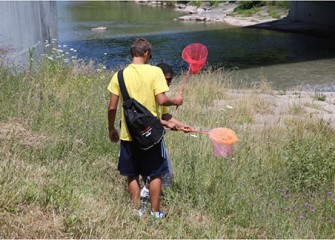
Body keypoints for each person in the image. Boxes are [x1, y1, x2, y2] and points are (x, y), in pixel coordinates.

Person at [107, 38, 183, 219]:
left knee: (131, 174)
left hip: (129, 134)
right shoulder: (155, 72)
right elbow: (162, 100)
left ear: (132, 53)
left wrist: (111, 128)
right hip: (152, 134)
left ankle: (137, 211)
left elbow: (111, 107)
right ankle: (156, 213)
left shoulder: (118, 75)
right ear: (147, 53)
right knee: (155, 173)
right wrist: (176, 101)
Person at [140, 63, 195, 207]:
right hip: (146, 138)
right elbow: (145, 118)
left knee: (159, 172)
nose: (169, 84)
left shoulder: (161, 95)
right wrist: (166, 124)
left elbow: (165, 115)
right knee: (165, 172)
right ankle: (148, 200)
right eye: (167, 79)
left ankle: (148, 198)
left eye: (171, 80)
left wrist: (181, 125)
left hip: (157, 137)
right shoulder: (149, 94)